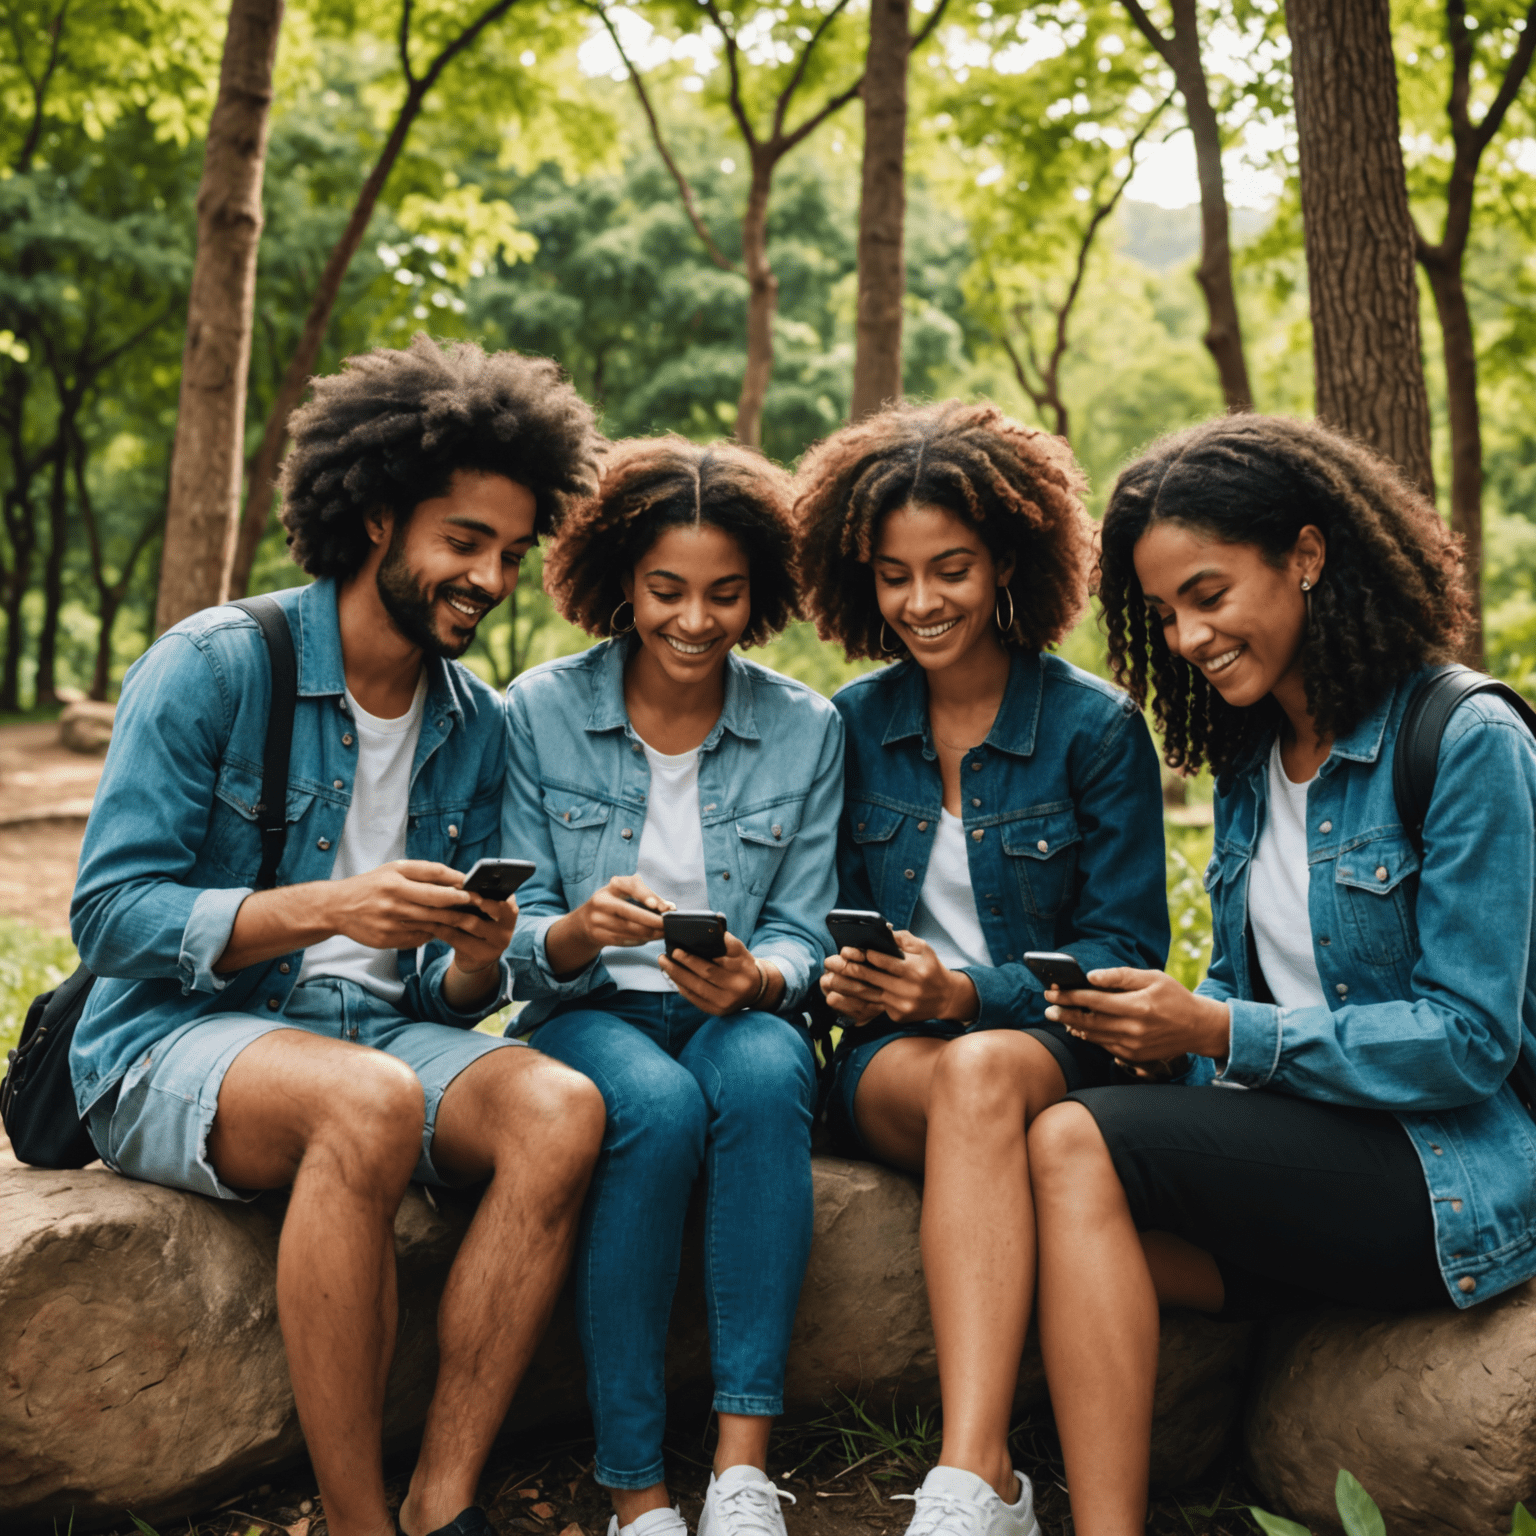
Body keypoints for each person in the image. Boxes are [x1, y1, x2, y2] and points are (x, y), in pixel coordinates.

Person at [69, 336, 607, 1536]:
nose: (491, 578)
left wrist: (476, 955)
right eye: (464, 542)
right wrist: (329, 905)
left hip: (375, 1036)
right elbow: (108, 915)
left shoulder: (476, 722)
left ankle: (442, 1500)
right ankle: (356, 1520)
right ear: (374, 518)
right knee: (362, 1101)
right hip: (176, 1036)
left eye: (513, 555)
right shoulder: (217, 665)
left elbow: (453, 994)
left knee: (559, 1109)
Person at [1031, 415, 1536, 1536]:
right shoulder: (1257, 758)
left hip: (1441, 1170)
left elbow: (1469, 1040)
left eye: (1209, 594)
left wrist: (1218, 1033)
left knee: (1073, 1146)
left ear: (1306, 555)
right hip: (1311, 1149)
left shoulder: (1465, 740)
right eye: (1163, 613)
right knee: (1053, 1185)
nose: (1188, 636)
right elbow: (1254, 978)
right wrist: (1148, 1037)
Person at [793, 400, 1169, 1536]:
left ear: (1007, 560)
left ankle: (973, 1474)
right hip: (894, 1062)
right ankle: (985, 1479)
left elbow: (1122, 957)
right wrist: (841, 978)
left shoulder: (1095, 730)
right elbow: (805, 924)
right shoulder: (849, 726)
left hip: (1051, 1054)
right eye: (896, 576)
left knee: (987, 1072)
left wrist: (969, 993)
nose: (923, 603)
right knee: (957, 1077)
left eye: (950, 569)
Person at [501, 436, 843, 1536]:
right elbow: (506, 930)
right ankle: (635, 1487)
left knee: (760, 1077)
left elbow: (802, 926)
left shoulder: (805, 727)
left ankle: (742, 1469)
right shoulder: (538, 712)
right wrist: (572, 936)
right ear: (619, 585)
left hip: (726, 1010)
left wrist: (763, 975)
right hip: (589, 1012)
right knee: (647, 1108)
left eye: (725, 594)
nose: (695, 620)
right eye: (666, 591)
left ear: (761, 595)